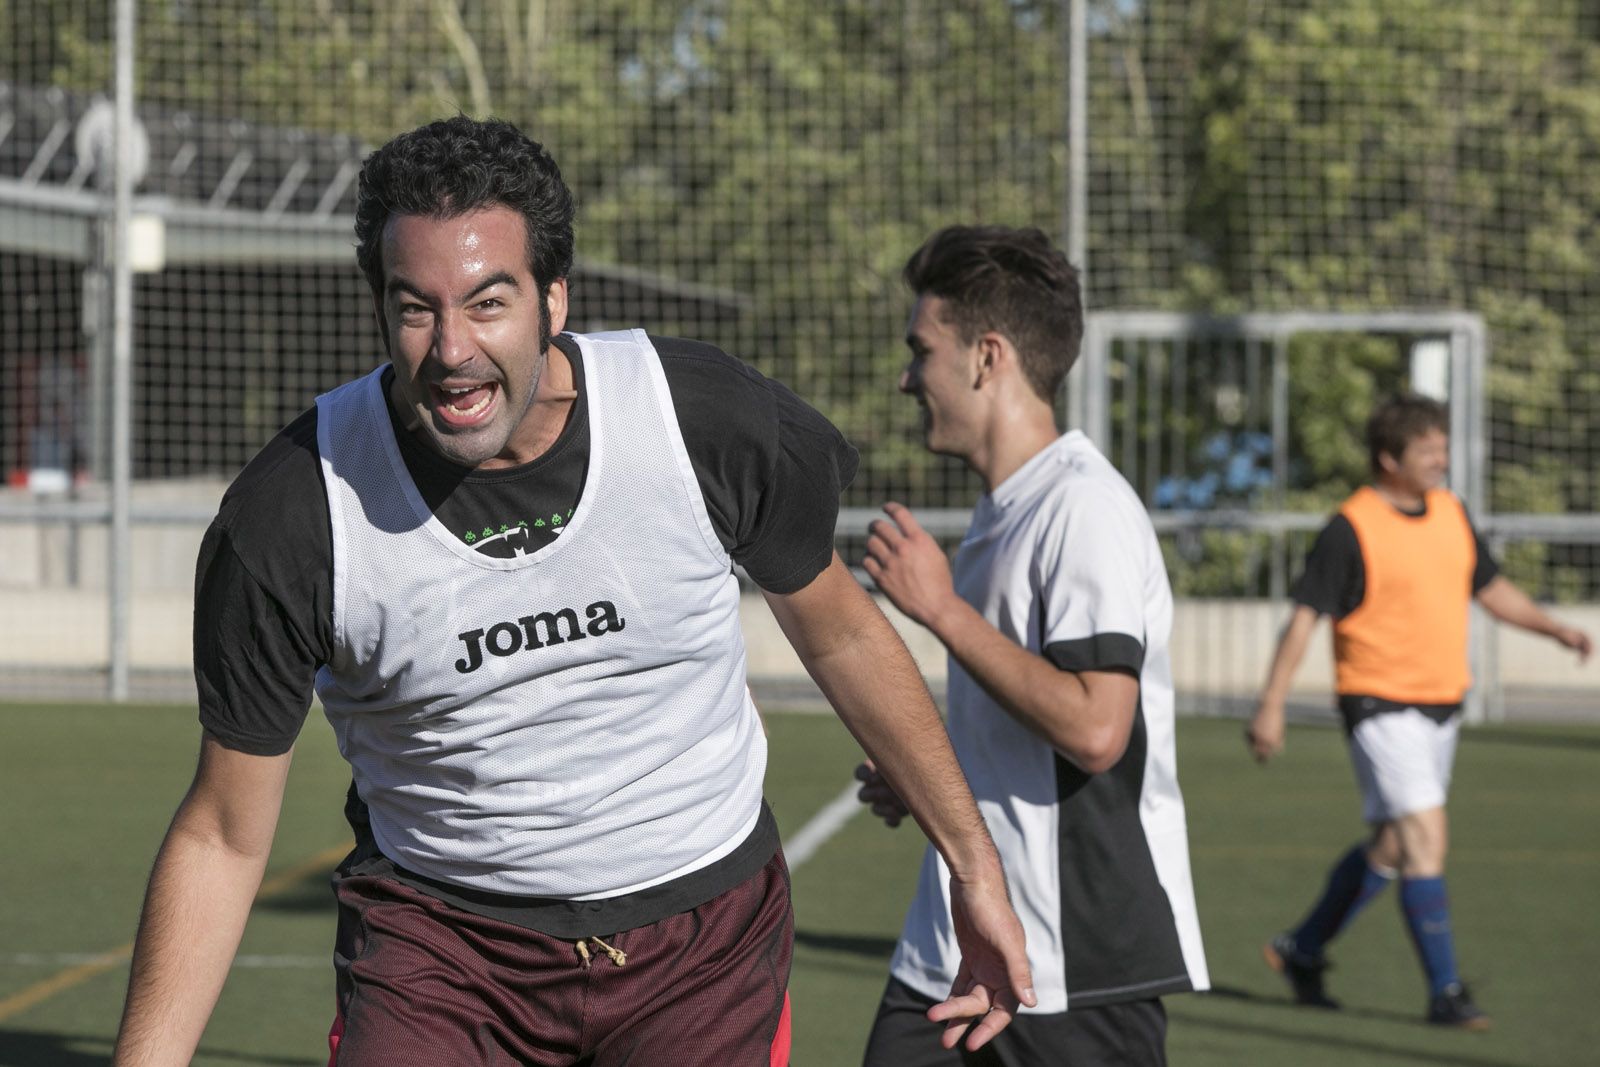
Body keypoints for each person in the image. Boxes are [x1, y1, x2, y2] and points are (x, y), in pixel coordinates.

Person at [111, 117, 1036, 1067]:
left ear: (554, 298)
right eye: (417, 307)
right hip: (445, 954)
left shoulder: (701, 421)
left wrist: (974, 864)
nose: (453, 349)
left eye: (489, 301)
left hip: (702, 948)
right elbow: (224, 832)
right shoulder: (296, 514)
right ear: (380, 311)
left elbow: (842, 635)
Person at [856, 225, 1209, 1067]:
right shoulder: (1003, 510)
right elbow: (1018, 710)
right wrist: (934, 776)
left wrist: (943, 611)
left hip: (1070, 966)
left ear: (987, 356)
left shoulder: (1084, 508)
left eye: (923, 349)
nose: (909, 377)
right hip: (955, 944)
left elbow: (1095, 727)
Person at [1247, 393, 1592, 1029]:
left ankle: (1303, 947)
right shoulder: (1350, 527)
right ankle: (1446, 993)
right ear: (1388, 459)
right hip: (1379, 703)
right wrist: (1272, 704)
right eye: (1427, 450)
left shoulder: (1451, 513)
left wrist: (1555, 630)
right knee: (1427, 835)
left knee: (1394, 846)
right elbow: (1304, 620)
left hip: (1441, 705)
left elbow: (1490, 589)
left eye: (1442, 447)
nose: (1441, 460)